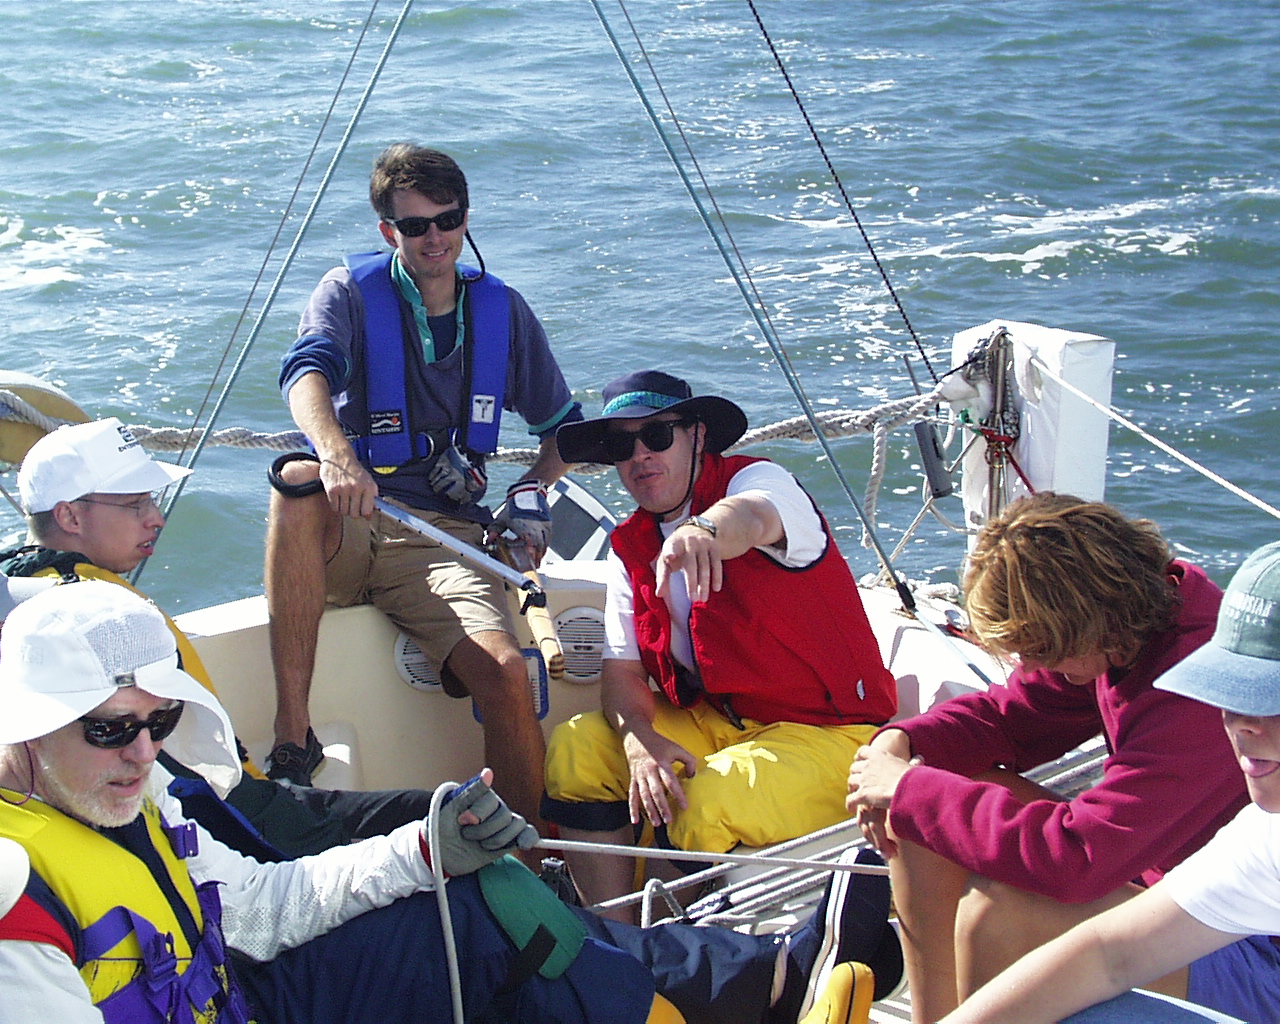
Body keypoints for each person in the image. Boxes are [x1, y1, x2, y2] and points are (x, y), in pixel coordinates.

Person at [0, 582, 902, 1024]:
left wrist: (425, 850)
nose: (144, 752)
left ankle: (756, 985)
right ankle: (764, 986)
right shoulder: (15, 903)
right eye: (111, 730)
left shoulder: (132, 787)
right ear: (27, 731)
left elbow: (258, 909)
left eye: (159, 722)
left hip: (237, 991)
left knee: (460, 906)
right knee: (476, 943)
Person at [264, 144, 583, 826]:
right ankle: (293, 735)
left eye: (448, 219)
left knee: (508, 674)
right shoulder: (348, 294)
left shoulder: (502, 312)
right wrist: (336, 455)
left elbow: (564, 431)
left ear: (466, 218)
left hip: (443, 540)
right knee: (296, 480)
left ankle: (522, 851)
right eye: (415, 226)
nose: (434, 237)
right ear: (389, 231)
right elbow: (304, 373)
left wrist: (529, 492)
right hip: (354, 517)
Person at [845, 492, 1249, 1024]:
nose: (1031, 666)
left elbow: (1078, 859)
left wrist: (905, 788)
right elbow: (1008, 718)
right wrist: (903, 744)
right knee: (928, 797)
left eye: (1040, 649)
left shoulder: (1198, 688)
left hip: (1243, 943)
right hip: (1162, 887)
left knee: (997, 915)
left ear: (1087, 621)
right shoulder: (1131, 629)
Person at [543, 370, 897, 929]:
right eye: (621, 445)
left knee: (699, 802)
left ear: (698, 436)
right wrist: (638, 740)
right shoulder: (630, 548)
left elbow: (753, 517)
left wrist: (704, 531)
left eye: (658, 435)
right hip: (721, 723)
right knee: (577, 750)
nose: (640, 455)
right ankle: (615, 937)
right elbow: (622, 675)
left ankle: (670, 956)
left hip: (834, 735)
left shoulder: (760, 482)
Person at [3, 416, 434, 857]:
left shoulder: (26, 596)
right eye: (135, 505)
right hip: (236, 824)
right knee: (438, 813)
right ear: (69, 515)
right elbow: (190, 785)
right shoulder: (106, 620)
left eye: (152, 500)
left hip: (213, 811)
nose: (156, 519)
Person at [940, 539, 1280, 1024]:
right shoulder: (1264, 836)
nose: (1241, 722)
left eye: (1269, 696)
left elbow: (1080, 864)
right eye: (1228, 692)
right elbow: (1107, 956)